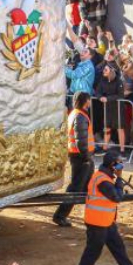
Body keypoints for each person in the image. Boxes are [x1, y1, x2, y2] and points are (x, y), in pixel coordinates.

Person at [69, 149, 133, 265]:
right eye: (119, 163)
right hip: (97, 223)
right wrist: (120, 180)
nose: (121, 166)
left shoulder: (105, 177)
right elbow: (116, 197)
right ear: (112, 165)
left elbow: (116, 195)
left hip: (106, 222)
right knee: (91, 254)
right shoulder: (102, 180)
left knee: (118, 248)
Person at [54, 91, 96, 228]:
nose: (90, 102)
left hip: (80, 156)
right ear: (85, 101)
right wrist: (87, 158)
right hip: (82, 158)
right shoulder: (80, 116)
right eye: (89, 100)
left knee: (87, 187)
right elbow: (81, 141)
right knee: (75, 188)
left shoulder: (75, 114)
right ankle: (60, 215)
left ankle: (92, 216)